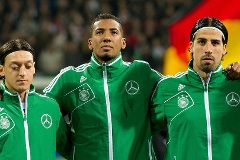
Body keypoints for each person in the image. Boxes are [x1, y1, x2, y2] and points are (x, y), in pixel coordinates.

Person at [43, 13, 240, 160]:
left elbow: (160, 120)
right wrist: (69, 146)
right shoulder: (69, 78)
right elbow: (40, 111)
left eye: (113, 32)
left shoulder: (143, 74)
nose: (106, 37)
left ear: (123, 43)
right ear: (89, 42)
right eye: (99, 32)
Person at [150, 17, 240, 160]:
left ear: (224, 49)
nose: (208, 49)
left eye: (215, 43)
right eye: (202, 42)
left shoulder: (237, 84)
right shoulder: (167, 88)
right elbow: (142, 131)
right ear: (191, 46)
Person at [0, 39, 68, 160]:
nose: (22, 73)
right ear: (1, 70)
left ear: (34, 68)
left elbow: (70, 148)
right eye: (15, 67)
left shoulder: (50, 107)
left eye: (28, 66)